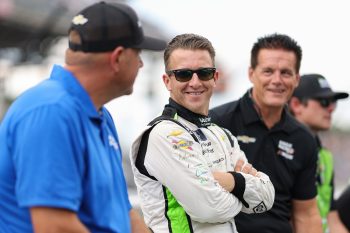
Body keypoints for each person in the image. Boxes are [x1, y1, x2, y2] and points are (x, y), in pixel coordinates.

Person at [0, 2, 166, 233]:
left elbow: (123, 212)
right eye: (137, 53)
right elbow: (54, 226)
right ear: (117, 58)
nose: (140, 63)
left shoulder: (100, 115)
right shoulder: (51, 111)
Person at [129, 33, 275, 233]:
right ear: (167, 81)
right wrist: (243, 191)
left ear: (215, 78)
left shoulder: (222, 134)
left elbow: (266, 198)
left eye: (204, 73)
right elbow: (209, 209)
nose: (195, 82)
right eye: (183, 74)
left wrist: (232, 181)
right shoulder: (163, 134)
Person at [210, 33, 322, 233]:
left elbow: (306, 213)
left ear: (296, 79)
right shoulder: (217, 123)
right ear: (251, 73)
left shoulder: (303, 139)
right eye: (268, 71)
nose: (277, 80)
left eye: (286, 73)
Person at [289, 73, 349, 233]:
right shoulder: (283, 152)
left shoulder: (325, 156)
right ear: (296, 105)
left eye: (333, 102)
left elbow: (333, 219)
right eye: (324, 102)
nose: (331, 108)